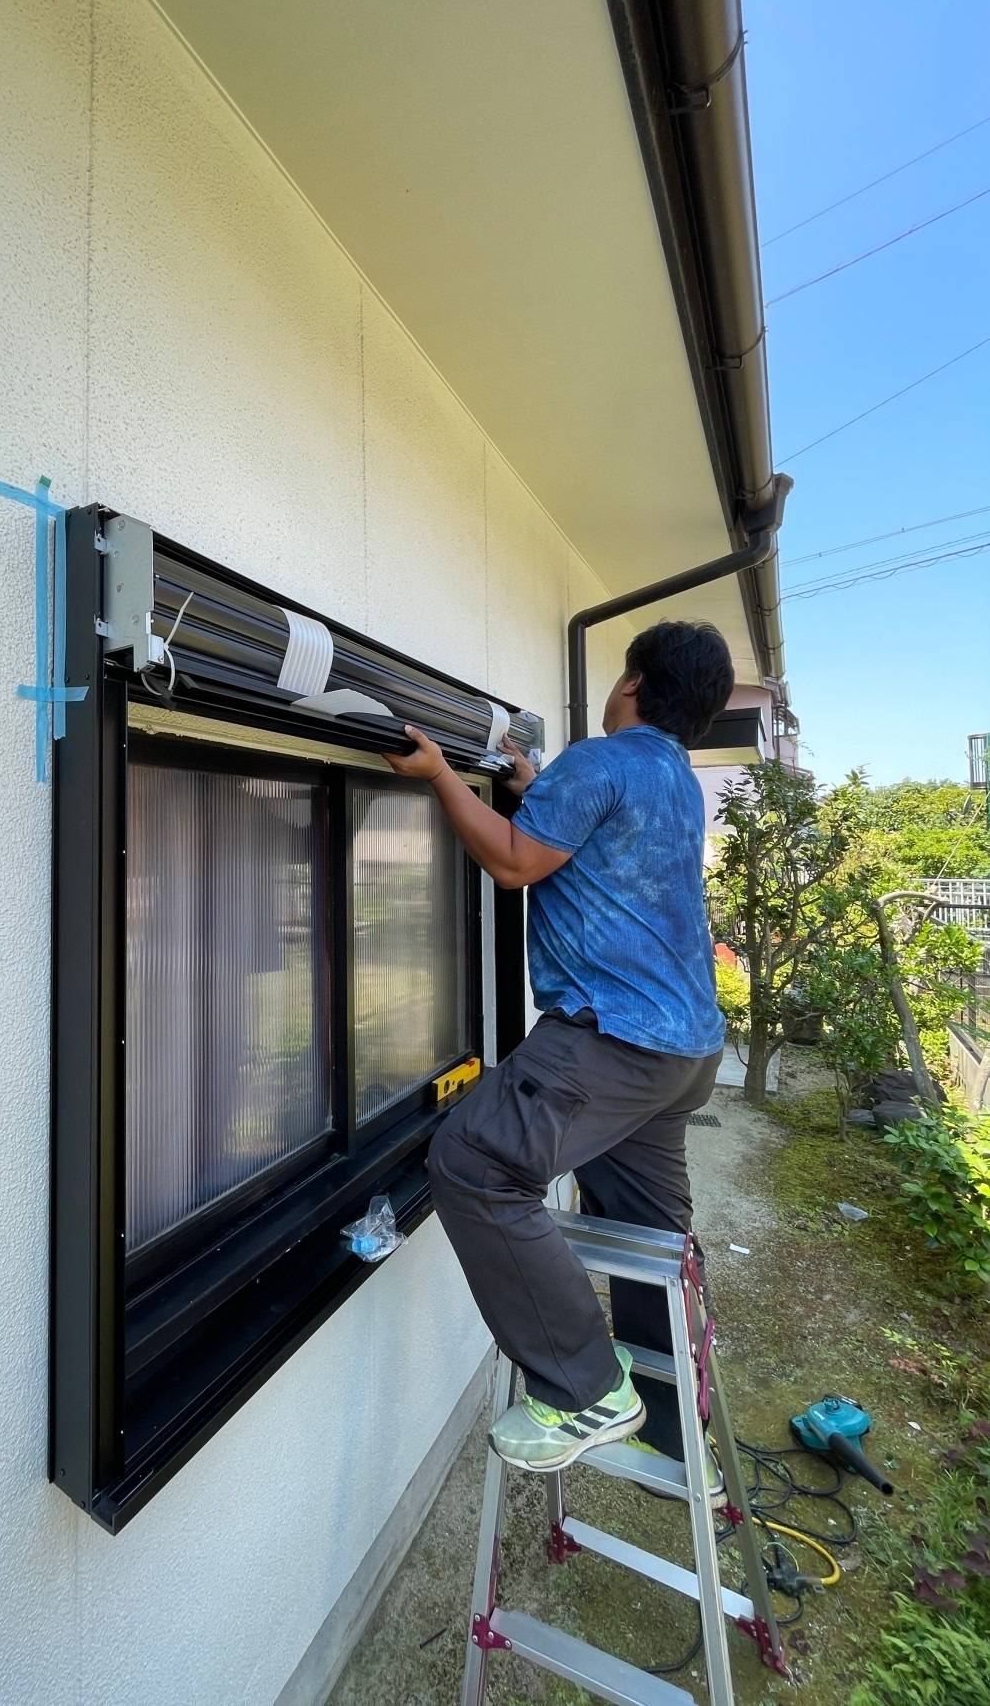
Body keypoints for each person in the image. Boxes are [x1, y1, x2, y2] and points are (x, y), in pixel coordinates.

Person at [384, 620, 733, 1494]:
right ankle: (669, 1423)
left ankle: (585, 1387)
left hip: (612, 1042)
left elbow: (512, 860)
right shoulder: (674, 781)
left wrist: (437, 776)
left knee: (473, 1161)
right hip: (682, 1053)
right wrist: (528, 783)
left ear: (635, 685)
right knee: (644, 1228)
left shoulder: (603, 756)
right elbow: (577, 840)